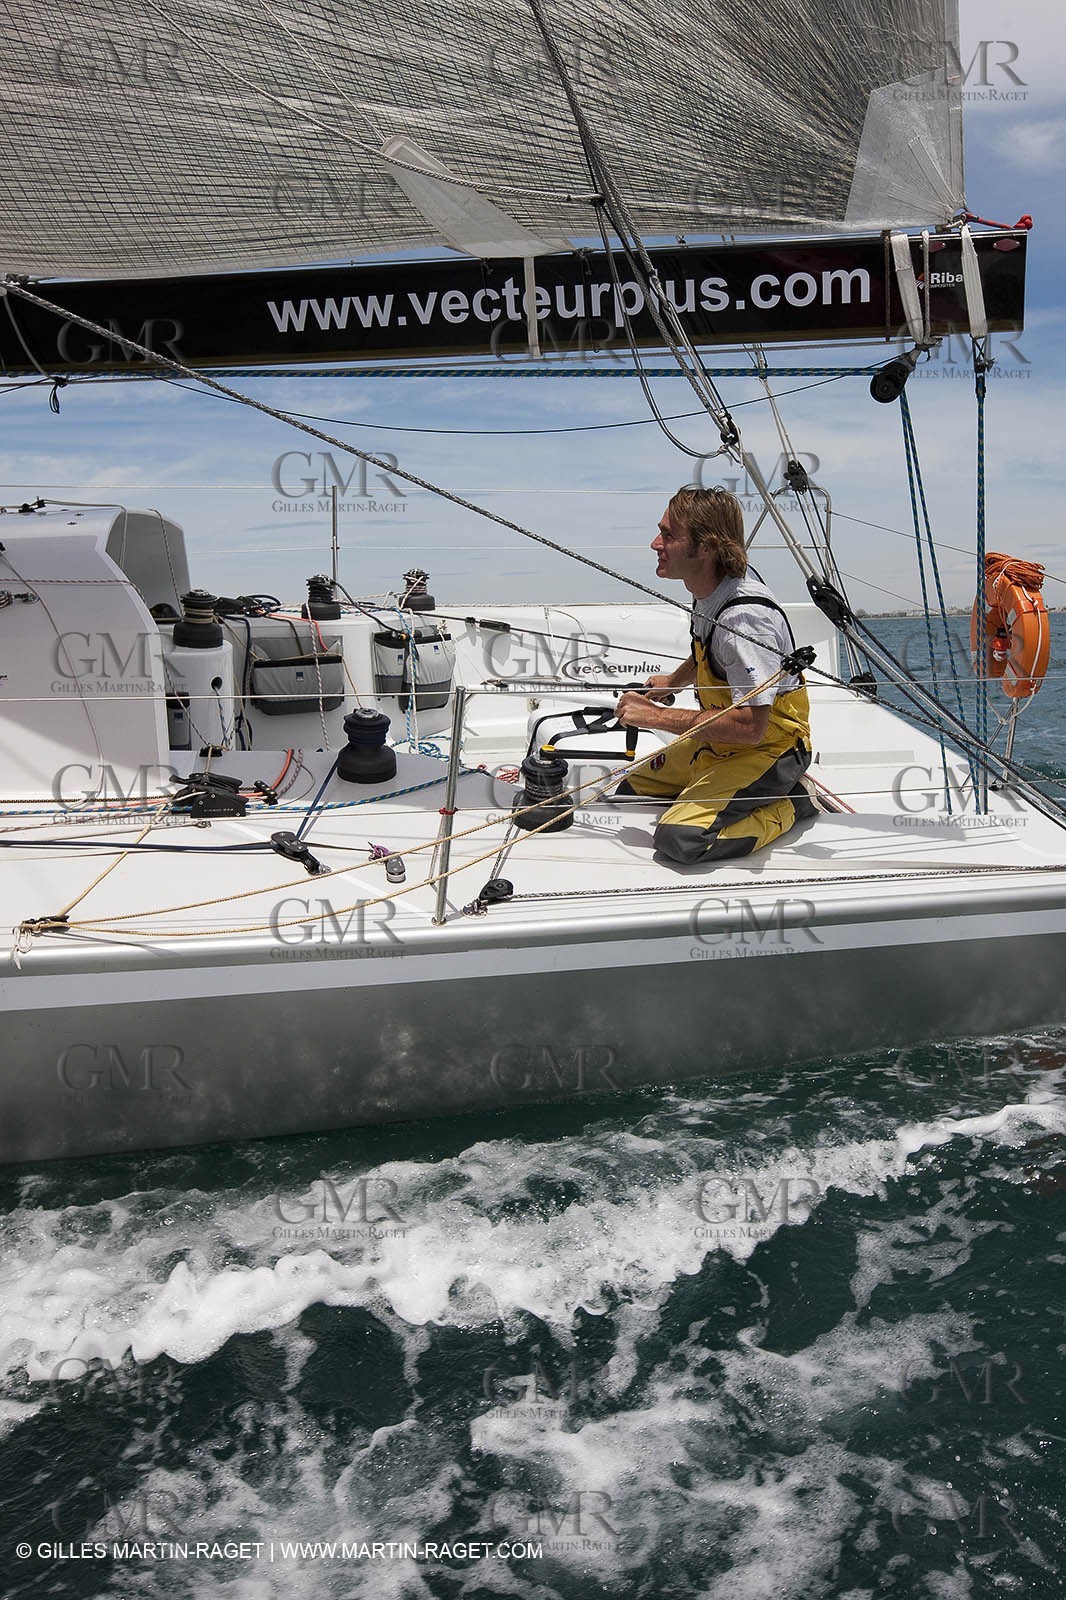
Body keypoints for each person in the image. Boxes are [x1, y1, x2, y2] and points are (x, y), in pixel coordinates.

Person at [615, 484, 816, 864]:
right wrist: (673, 682)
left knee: (682, 839)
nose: (655, 544)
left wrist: (654, 718)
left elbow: (749, 728)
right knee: (627, 789)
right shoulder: (708, 587)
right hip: (718, 744)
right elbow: (708, 651)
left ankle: (791, 803)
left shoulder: (745, 619)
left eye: (669, 535)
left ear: (705, 547)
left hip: (768, 750)